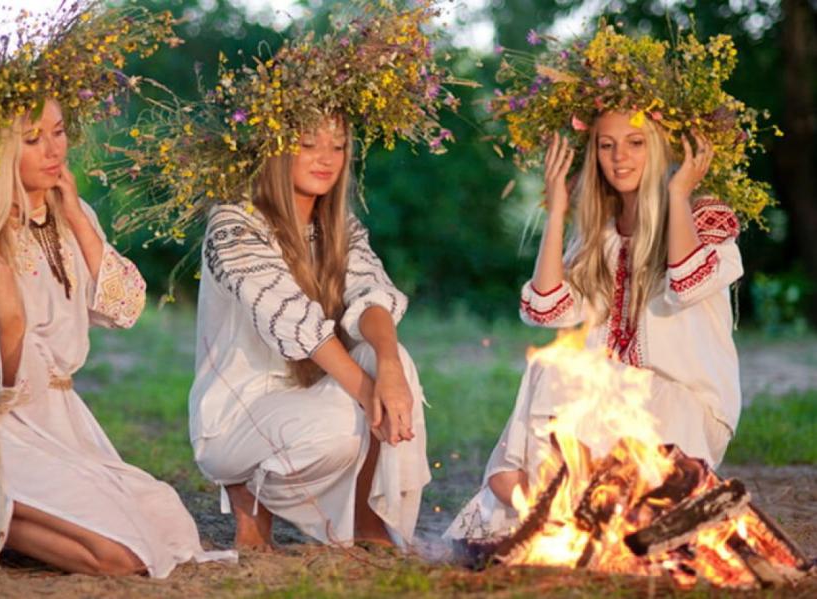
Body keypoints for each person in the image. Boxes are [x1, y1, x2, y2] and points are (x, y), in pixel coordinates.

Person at [0, 2, 235, 575]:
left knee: (165, 522)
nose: (54, 150)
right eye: (33, 139)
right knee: (116, 558)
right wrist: (11, 322)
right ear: (0, 150)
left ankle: (9, 518)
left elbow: (125, 309)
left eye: (58, 133)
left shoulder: (73, 214)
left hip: (63, 417)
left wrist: (82, 222)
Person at [445, 24, 767, 540]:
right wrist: (558, 210)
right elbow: (546, 311)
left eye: (637, 142)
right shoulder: (599, 237)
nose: (620, 157)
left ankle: (560, 500)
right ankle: (548, 505)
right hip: (610, 401)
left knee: (597, 436)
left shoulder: (706, 219)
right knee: (552, 366)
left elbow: (686, 284)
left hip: (682, 408)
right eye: (607, 145)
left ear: (661, 146)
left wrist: (680, 192)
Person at [192, 117, 430, 549]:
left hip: (307, 396)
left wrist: (390, 370)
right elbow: (292, 319)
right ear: (274, 147)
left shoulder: (340, 227)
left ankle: (365, 519)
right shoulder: (234, 223)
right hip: (238, 411)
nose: (326, 158)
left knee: (394, 362)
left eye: (338, 146)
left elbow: (371, 293)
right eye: (307, 143)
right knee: (343, 427)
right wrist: (369, 393)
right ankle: (248, 492)